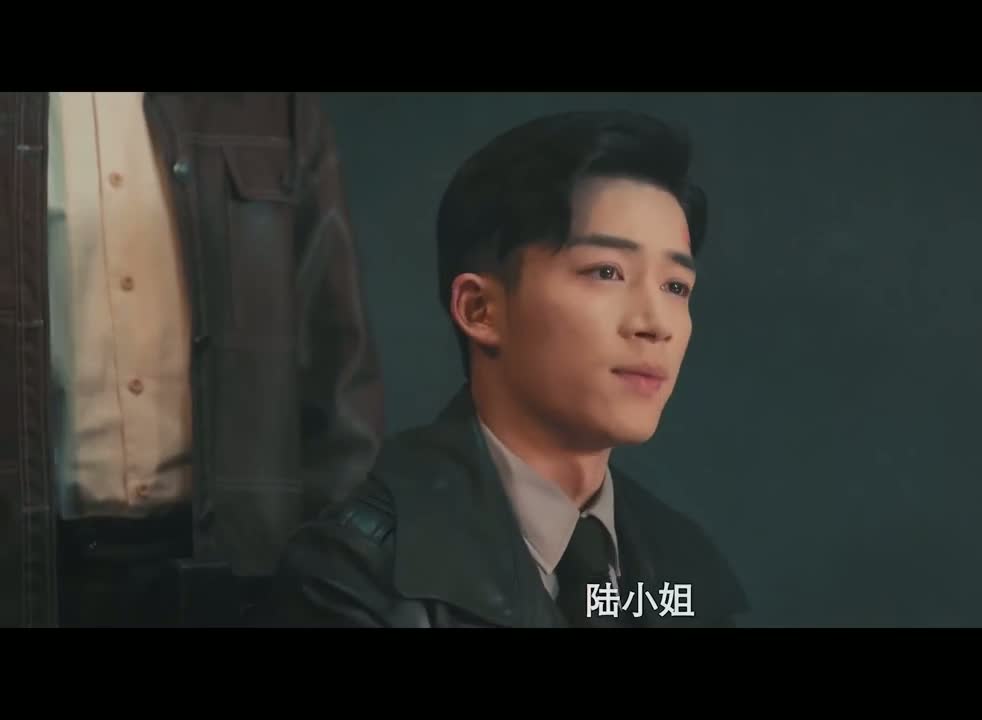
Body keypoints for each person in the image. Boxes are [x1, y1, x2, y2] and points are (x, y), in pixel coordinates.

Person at [269, 110, 749, 628]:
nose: (656, 324)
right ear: (480, 310)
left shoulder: (683, 568)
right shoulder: (357, 572)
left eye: (676, 286)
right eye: (607, 271)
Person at [0, 92, 384, 627]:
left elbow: (338, 366)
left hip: (240, 579)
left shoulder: (272, 109)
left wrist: (335, 579)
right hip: (37, 576)